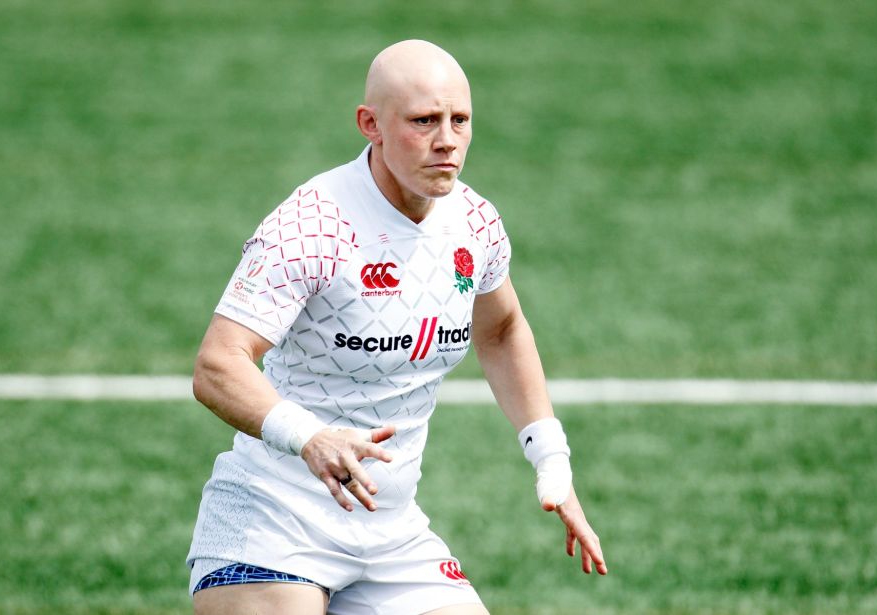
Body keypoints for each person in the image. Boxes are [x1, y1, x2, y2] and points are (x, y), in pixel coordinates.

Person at [186, 39, 606, 615]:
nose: (447, 140)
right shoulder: (312, 224)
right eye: (424, 121)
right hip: (275, 520)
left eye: (460, 120)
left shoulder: (474, 223)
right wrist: (310, 437)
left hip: (391, 533)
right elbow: (218, 364)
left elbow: (502, 329)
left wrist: (551, 459)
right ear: (370, 124)